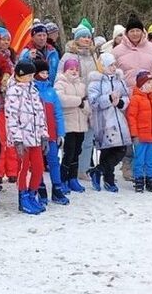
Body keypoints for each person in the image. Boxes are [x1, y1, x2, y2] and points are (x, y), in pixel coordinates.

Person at [5, 60, 49, 214]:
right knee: (23, 169)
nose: (31, 78)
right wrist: (17, 139)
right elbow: (11, 117)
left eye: (32, 75)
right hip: (22, 138)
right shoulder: (13, 91)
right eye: (28, 75)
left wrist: (44, 135)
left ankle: (32, 194)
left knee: (38, 167)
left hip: (35, 136)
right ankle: (23, 197)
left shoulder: (33, 90)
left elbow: (40, 113)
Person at [58, 26, 100, 180]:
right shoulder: (69, 55)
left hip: (90, 98)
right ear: (77, 39)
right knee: (73, 141)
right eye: (83, 37)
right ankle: (70, 171)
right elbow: (61, 76)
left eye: (89, 37)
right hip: (75, 100)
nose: (87, 39)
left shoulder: (93, 55)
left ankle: (83, 169)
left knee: (88, 138)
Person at [87, 52, 131, 192]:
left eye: (114, 64)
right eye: (110, 65)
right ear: (103, 66)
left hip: (118, 119)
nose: (113, 67)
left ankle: (98, 171)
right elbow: (93, 102)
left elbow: (126, 97)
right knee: (108, 150)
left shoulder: (119, 79)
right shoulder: (96, 81)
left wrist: (120, 103)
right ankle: (108, 179)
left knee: (121, 148)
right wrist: (109, 99)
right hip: (104, 120)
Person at [34, 59, 68, 205]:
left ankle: (57, 188)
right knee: (38, 163)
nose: (46, 75)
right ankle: (40, 188)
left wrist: (61, 133)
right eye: (42, 72)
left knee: (54, 161)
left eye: (47, 72)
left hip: (51, 134)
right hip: (36, 135)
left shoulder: (51, 91)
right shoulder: (31, 90)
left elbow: (58, 113)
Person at [55, 59, 90, 193]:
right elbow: (61, 99)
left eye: (76, 69)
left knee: (77, 152)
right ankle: (63, 178)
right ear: (65, 70)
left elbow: (86, 101)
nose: (74, 71)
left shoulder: (81, 84)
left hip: (80, 122)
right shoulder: (60, 83)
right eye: (71, 69)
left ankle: (72, 178)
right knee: (68, 152)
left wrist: (84, 106)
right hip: (68, 123)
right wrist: (78, 102)